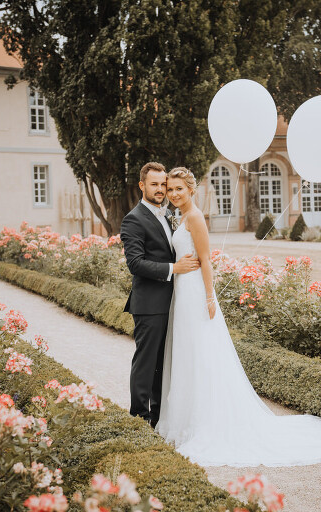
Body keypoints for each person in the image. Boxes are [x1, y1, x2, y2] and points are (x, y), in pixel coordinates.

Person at [156, 167, 321, 467]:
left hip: (195, 295)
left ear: (191, 190)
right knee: (189, 354)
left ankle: (203, 423)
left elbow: (206, 260)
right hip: (182, 291)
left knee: (201, 354)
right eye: (171, 189)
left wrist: (208, 297)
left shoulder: (195, 217)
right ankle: (186, 420)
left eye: (179, 189)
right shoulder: (181, 217)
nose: (174, 194)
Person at [120, 162, 200, 428]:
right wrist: (174, 268)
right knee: (146, 364)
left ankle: (158, 418)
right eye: (153, 184)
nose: (160, 189)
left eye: (162, 184)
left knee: (163, 366)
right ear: (142, 185)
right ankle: (139, 420)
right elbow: (136, 263)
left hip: (175, 302)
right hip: (149, 305)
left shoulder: (168, 216)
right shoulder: (133, 218)